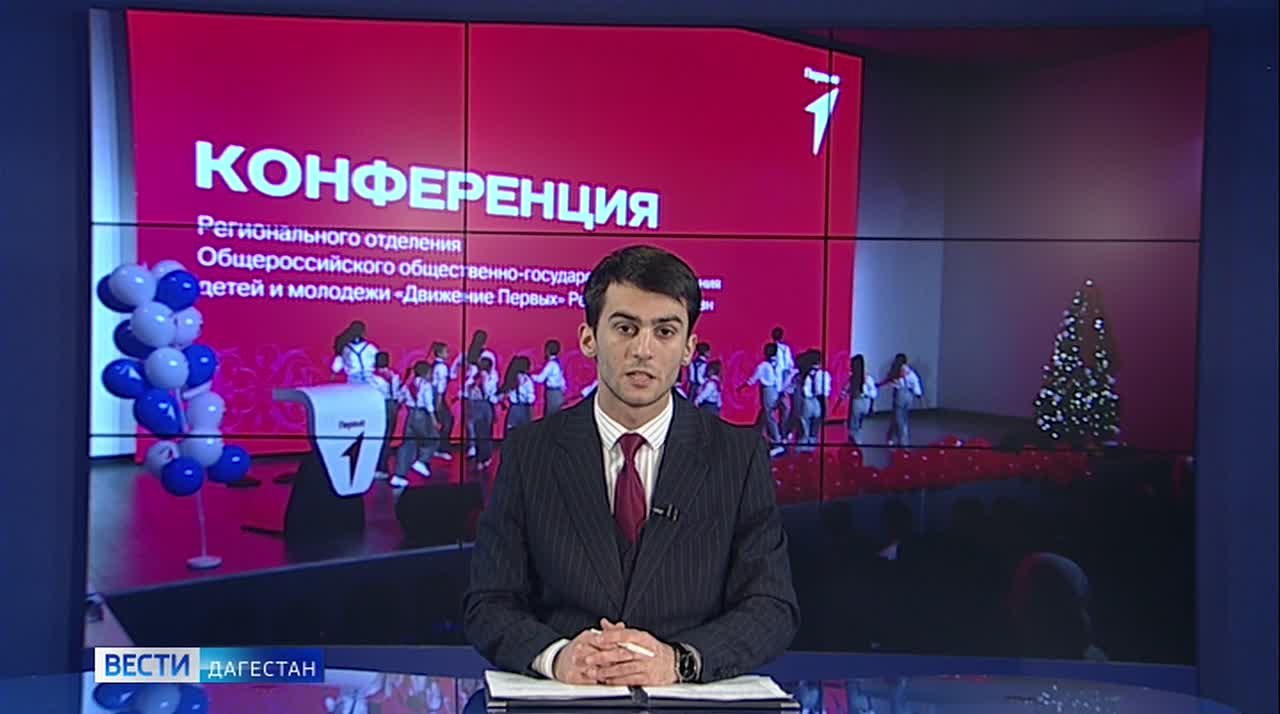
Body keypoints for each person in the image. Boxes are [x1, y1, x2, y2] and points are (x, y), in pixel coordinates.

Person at [464, 245, 798, 686]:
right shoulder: (530, 452)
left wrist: (678, 661)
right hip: (566, 697)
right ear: (588, 338)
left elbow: (771, 607)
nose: (643, 349)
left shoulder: (737, 456)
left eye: (665, 332)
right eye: (625, 328)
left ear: (688, 348)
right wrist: (558, 657)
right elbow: (489, 602)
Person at [393, 361, 439, 487]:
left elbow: (399, 397)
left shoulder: (408, 384)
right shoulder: (425, 385)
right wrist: (434, 420)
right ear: (426, 373)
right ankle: (422, 461)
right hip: (421, 414)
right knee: (433, 439)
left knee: (408, 444)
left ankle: (398, 475)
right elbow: (429, 404)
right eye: (430, 373)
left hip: (410, 414)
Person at [878, 353, 924, 447]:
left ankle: (896, 438)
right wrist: (918, 394)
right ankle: (900, 439)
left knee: (898, 418)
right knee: (901, 418)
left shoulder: (897, 370)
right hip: (907, 395)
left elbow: (889, 381)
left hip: (901, 395)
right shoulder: (908, 371)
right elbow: (915, 383)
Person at [369, 351, 403, 477]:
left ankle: (379, 467)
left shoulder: (371, 377)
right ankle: (381, 467)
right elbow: (397, 394)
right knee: (386, 438)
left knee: (379, 437)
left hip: (378, 406)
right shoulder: (394, 375)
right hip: (391, 405)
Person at [835, 354, 876, 444]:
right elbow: (873, 393)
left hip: (859, 401)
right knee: (857, 421)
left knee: (855, 422)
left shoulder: (860, 379)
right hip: (863, 401)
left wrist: (837, 404)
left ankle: (855, 438)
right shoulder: (863, 378)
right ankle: (856, 438)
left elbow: (844, 391)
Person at [429, 342, 454, 461]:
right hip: (438, 396)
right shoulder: (441, 367)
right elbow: (440, 385)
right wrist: (438, 401)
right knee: (447, 421)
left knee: (443, 421)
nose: (448, 354)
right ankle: (441, 448)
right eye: (446, 351)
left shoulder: (434, 365)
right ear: (439, 353)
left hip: (435, 395)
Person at [531, 340, 567, 417]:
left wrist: (530, 376)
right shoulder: (558, 362)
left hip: (553, 394)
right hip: (558, 393)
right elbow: (562, 380)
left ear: (547, 350)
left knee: (551, 417)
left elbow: (540, 378)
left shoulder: (551, 364)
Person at [503, 355, 536, 434]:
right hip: (524, 409)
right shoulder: (527, 380)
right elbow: (531, 399)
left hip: (513, 409)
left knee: (511, 432)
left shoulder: (511, 378)